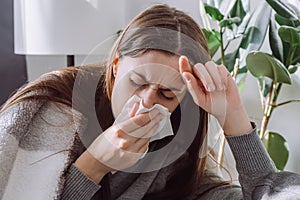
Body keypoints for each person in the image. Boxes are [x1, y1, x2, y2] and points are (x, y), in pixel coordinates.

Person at [1, 4, 300, 200]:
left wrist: (233, 118)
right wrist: (94, 163)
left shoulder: (173, 152)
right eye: (139, 83)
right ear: (116, 65)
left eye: (168, 94)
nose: (147, 102)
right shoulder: (50, 112)